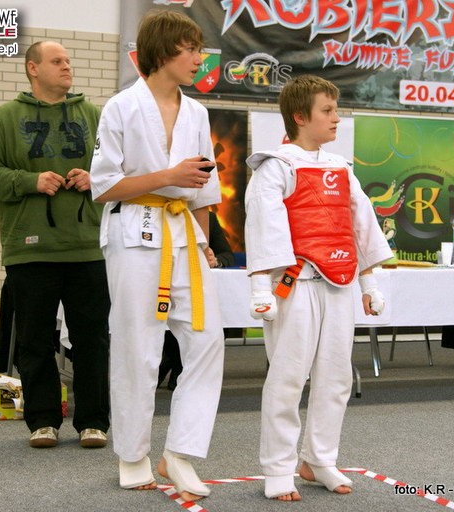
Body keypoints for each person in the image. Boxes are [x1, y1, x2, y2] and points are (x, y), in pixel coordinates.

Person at [90, 10, 225, 503]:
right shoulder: (121, 107)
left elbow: (203, 188)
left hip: (185, 234)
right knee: (138, 345)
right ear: (164, 51)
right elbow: (104, 186)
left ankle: (181, 452)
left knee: (208, 341)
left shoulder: (197, 113)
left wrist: (206, 244)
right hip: (134, 231)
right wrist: (168, 176)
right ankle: (132, 455)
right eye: (191, 49)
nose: (199, 58)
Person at [244, 75, 393, 501]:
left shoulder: (341, 169)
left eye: (335, 109)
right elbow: (263, 229)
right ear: (300, 116)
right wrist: (261, 287)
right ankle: (278, 467)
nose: (336, 118)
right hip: (295, 286)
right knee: (288, 377)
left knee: (336, 377)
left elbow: (360, 226)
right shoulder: (276, 167)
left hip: (339, 285)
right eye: (327, 111)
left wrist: (369, 281)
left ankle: (319, 459)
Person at [0, 41, 111, 449]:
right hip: (29, 249)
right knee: (33, 342)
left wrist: (95, 178)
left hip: (88, 248)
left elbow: (121, 166)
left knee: (92, 340)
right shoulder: (6, 118)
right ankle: (43, 421)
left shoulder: (93, 116)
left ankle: (93, 422)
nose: (67, 66)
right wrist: (29, 181)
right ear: (33, 68)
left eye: (68, 61)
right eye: (57, 61)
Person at [158, 211, 234, 391]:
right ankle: (173, 361)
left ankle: (179, 366)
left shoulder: (208, 218)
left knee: (213, 324)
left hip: (198, 283)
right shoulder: (158, 214)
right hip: (162, 277)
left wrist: (215, 260)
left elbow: (228, 255)